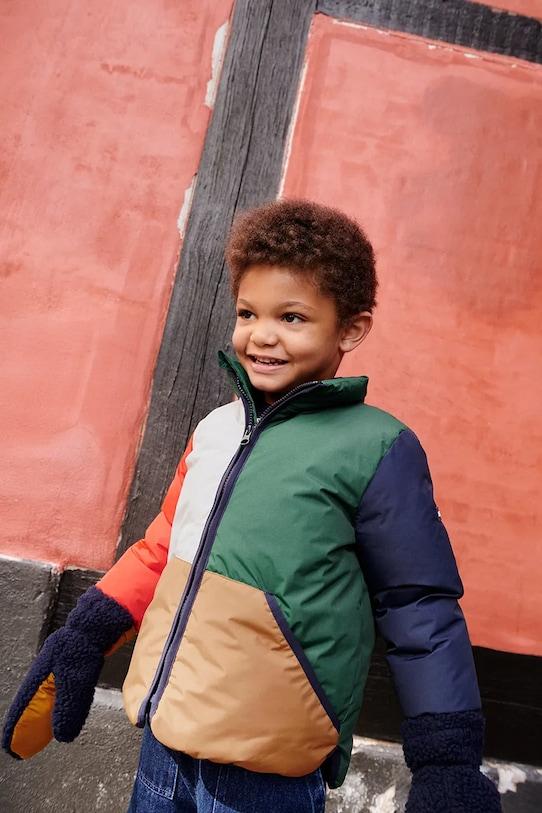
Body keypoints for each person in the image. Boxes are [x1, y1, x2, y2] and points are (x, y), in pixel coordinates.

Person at [3, 199, 502, 813]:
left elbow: (418, 606)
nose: (262, 334)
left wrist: (446, 759)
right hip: (164, 744)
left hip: (267, 776)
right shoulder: (215, 429)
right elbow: (162, 547)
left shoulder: (378, 449)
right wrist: (84, 634)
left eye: (292, 317)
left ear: (350, 329)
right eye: (247, 313)